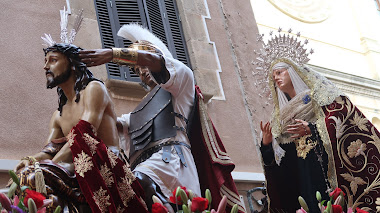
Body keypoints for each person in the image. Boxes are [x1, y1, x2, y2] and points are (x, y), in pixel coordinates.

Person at [79, 23, 245, 213]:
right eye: (136, 70)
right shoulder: (135, 113)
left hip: (171, 162)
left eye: (143, 66)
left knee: (137, 182)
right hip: (143, 166)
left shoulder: (182, 81)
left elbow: (156, 61)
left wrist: (112, 54)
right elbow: (111, 125)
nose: (141, 72)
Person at [13, 8, 148, 213]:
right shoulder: (58, 114)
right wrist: (30, 161)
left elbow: (84, 134)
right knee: (25, 177)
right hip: (71, 165)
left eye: (53, 60)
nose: (45, 67)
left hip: (103, 162)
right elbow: (50, 149)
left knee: (35, 177)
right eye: (45, 61)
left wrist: (48, 167)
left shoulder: (94, 89)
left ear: (72, 65)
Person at [255, 29, 380, 212]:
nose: (277, 79)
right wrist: (267, 146)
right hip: (301, 178)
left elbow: (343, 120)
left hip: (324, 172)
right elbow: (283, 166)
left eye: (280, 73)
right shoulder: (281, 119)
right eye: (274, 79)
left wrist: (312, 129)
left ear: (294, 72)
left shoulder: (321, 97)